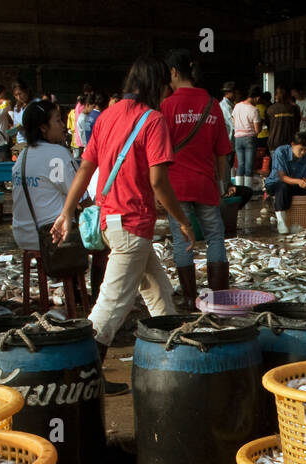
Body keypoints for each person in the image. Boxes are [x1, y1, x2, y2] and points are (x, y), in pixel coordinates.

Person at [51, 55, 193, 395]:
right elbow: (158, 182)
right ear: (156, 85)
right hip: (132, 224)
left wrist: (66, 212)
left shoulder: (107, 115)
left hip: (106, 221)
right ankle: (83, 378)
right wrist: (183, 220)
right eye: (166, 86)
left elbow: (85, 169)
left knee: (159, 292)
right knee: (110, 306)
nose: (168, 92)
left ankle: (174, 363)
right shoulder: (153, 120)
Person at [161, 48, 234, 305]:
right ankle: (218, 297)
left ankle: (191, 299)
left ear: (173, 72)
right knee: (215, 236)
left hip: (176, 186)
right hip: (206, 184)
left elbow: (159, 152)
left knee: (183, 241)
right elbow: (222, 153)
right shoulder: (212, 105)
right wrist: (221, 184)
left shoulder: (166, 107)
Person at [12, 100, 80, 252]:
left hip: (22, 236)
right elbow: (81, 196)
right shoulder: (58, 154)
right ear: (43, 127)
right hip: (50, 236)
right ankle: (76, 276)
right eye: (58, 120)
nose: (63, 125)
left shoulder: (22, 155)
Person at [264, 131, 306, 234]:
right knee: (283, 187)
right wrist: (299, 181)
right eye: (301, 149)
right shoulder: (280, 151)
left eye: (305, 149)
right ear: (292, 144)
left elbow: (305, 178)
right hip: (276, 183)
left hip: (294, 185)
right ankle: (281, 221)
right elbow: (282, 177)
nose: (303, 153)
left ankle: (299, 221)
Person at [231, 86, 262, 187]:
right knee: (249, 166)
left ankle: (240, 189)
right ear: (257, 98)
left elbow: (233, 122)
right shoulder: (254, 110)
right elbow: (257, 130)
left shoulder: (237, 106)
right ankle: (248, 191)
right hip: (249, 139)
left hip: (238, 139)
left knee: (240, 165)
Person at [9, 80, 32, 155]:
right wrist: (13, 128)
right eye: (16, 95)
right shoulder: (16, 108)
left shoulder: (35, 104)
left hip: (32, 142)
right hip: (20, 142)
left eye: (20, 93)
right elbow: (16, 123)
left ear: (27, 91)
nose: (19, 97)